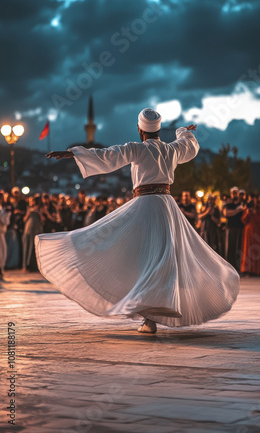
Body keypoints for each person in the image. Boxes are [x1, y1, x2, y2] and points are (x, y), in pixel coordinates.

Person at [35, 108, 239, 334]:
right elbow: (189, 145)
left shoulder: (137, 148)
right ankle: (156, 309)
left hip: (145, 205)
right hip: (168, 207)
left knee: (138, 255)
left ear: (140, 130)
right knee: (164, 257)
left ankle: (150, 316)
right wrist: (183, 130)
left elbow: (108, 155)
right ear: (158, 130)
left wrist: (73, 153)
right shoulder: (171, 150)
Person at [240, 196, 260, 276]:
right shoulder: (246, 208)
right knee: (247, 250)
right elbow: (243, 220)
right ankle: (247, 270)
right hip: (247, 232)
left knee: (256, 250)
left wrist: (254, 213)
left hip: (256, 232)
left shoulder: (259, 208)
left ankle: (256, 271)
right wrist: (247, 212)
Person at [223, 187, 245, 272]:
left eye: (236, 193)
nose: (234, 195)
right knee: (229, 249)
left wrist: (234, 211)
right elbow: (226, 213)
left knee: (239, 249)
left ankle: (238, 269)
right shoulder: (228, 204)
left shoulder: (242, 204)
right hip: (230, 229)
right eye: (233, 193)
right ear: (231, 194)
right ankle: (229, 269)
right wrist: (238, 210)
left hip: (240, 228)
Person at [22, 196, 44, 272]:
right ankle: (25, 266)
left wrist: (39, 212)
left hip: (36, 230)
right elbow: (24, 219)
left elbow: (42, 220)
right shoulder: (28, 209)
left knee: (34, 249)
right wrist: (28, 213)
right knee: (26, 248)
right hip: (28, 230)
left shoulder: (39, 208)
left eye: (32, 201)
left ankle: (33, 266)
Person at [0, 192, 11, 280]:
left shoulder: (2, 208)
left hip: (2, 232)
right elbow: (4, 220)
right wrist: (5, 214)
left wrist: (7, 213)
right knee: (1, 252)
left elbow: (6, 221)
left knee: (3, 252)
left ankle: (1, 269)